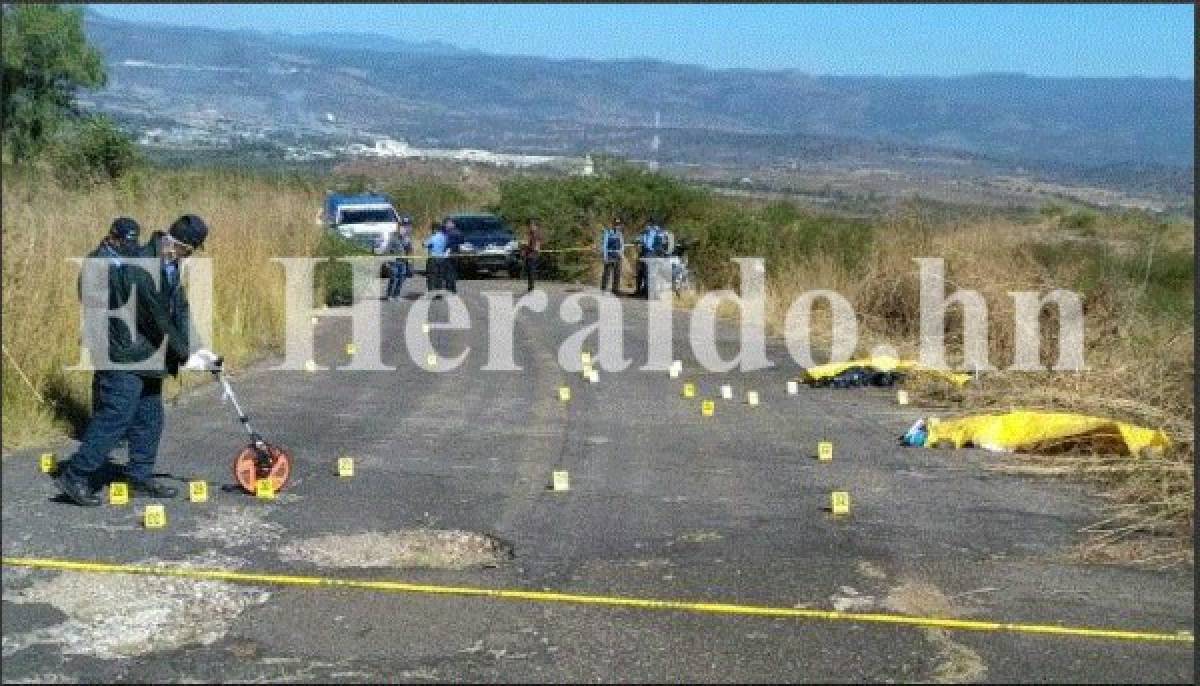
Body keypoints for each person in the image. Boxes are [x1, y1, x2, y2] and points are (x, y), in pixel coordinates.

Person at [57, 215, 221, 506]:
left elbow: (178, 309)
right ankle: (76, 475)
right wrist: (185, 356)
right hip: (123, 353)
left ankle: (139, 478)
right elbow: (156, 319)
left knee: (149, 418)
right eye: (188, 250)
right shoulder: (141, 267)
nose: (189, 256)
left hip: (148, 354)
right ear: (174, 243)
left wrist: (199, 347)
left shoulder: (170, 265)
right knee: (117, 414)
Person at [599, 218, 625, 294]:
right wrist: (605, 256)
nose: (617, 226)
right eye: (616, 224)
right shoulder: (608, 232)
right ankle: (603, 289)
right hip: (609, 254)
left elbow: (622, 245)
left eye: (618, 225)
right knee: (606, 273)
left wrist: (621, 253)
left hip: (617, 255)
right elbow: (604, 245)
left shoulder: (620, 234)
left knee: (617, 273)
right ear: (613, 224)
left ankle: (615, 290)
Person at [424, 220, 448, 296]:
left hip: (433, 259)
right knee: (440, 276)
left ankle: (431, 292)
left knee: (431, 276)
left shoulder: (433, 237)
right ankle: (439, 293)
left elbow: (424, 244)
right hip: (442, 259)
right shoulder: (444, 237)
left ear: (434, 229)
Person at [522, 218, 542, 293]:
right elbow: (525, 242)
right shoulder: (529, 233)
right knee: (529, 271)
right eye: (530, 225)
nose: (530, 226)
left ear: (535, 225)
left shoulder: (536, 234)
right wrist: (524, 249)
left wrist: (535, 248)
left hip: (533, 255)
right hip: (528, 254)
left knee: (531, 271)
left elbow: (537, 244)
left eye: (532, 225)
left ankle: (531, 287)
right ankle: (530, 286)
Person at [442, 218, 461, 294]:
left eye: (446, 224)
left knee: (449, 271)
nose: (445, 226)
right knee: (452, 271)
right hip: (455, 253)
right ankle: (452, 287)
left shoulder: (448, 233)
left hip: (449, 253)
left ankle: (450, 288)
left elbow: (446, 243)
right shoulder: (457, 232)